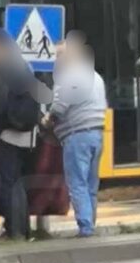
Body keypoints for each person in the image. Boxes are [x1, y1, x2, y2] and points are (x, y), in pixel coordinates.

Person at [0, 23, 41, 240]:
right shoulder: (23, 66)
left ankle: (14, 231)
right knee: (16, 184)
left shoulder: (5, 70)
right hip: (22, 135)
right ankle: (21, 229)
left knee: (8, 184)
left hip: (7, 136)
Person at [43, 33, 107, 237]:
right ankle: (91, 224)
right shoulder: (95, 76)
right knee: (91, 184)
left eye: (59, 55)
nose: (56, 59)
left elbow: (60, 105)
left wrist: (48, 119)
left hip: (76, 135)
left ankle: (86, 228)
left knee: (77, 183)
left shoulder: (69, 75)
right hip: (97, 134)